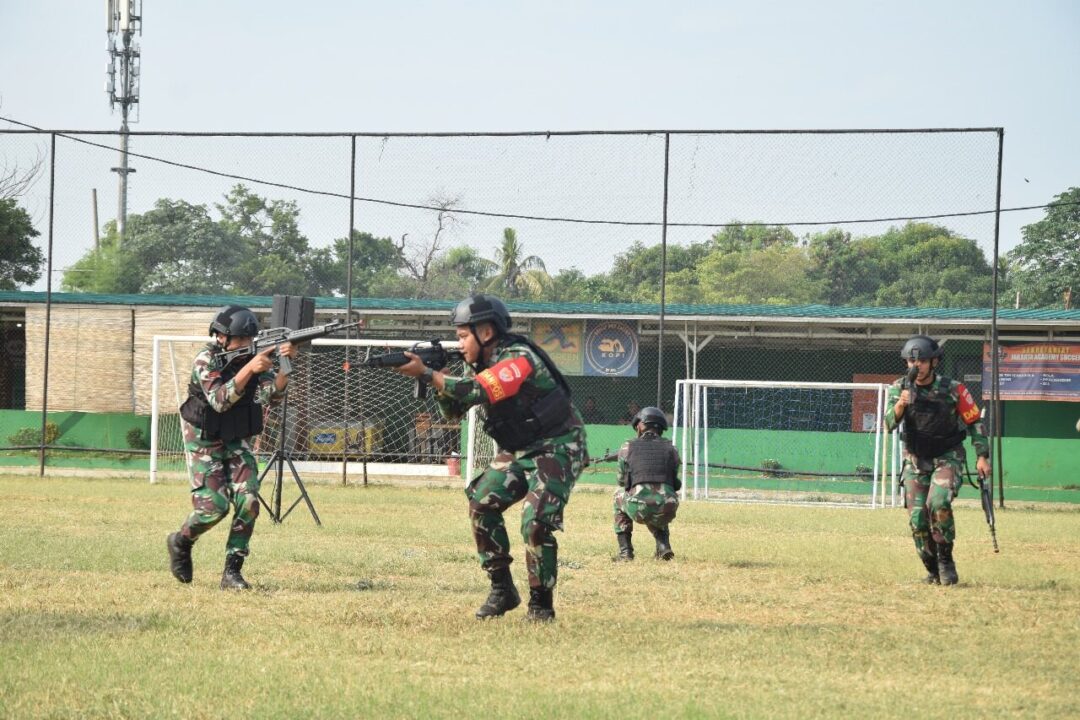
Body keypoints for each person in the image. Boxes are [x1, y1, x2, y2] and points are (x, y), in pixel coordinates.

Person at [393, 294, 587, 622]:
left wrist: (427, 373)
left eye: (463, 336)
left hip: (559, 446)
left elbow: (480, 391)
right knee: (481, 502)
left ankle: (541, 605)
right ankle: (502, 589)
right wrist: (435, 379)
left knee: (536, 522)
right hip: (518, 449)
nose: (460, 343)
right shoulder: (477, 364)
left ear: (485, 332)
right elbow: (454, 412)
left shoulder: (519, 357)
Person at [166, 305, 295, 590]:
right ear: (221, 337)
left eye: (249, 340)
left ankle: (232, 572)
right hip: (204, 439)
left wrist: (284, 368)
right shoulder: (206, 359)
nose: (246, 345)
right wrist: (250, 368)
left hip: (236, 437)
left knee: (249, 501)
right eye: (240, 340)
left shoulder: (252, 358)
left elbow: (272, 396)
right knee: (214, 508)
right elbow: (219, 400)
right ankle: (181, 540)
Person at [884, 335, 991, 586]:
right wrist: (901, 404)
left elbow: (975, 422)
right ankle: (932, 570)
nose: (916, 365)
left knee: (939, 502)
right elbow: (889, 424)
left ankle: (946, 562)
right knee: (918, 520)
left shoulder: (954, 389)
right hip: (915, 460)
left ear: (934, 362)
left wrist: (982, 457)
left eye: (922, 361)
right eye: (911, 361)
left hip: (947, 457)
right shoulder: (899, 388)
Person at [613, 406, 681, 561]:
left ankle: (625, 552)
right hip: (668, 509)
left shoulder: (627, 446)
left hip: (639, 508)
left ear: (640, 426)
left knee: (618, 495)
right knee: (660, 499)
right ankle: (663, 547)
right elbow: (674, 481)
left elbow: (621, 481)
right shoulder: (672, 448)